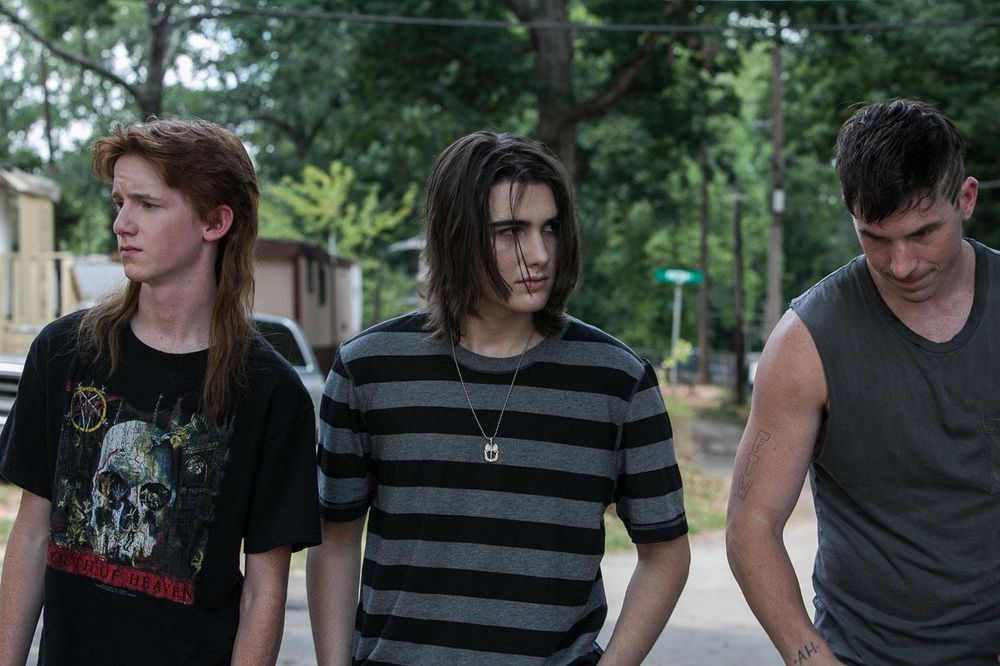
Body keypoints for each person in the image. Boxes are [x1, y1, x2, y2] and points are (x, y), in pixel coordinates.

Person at [307, 131, 690, 665]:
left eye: (550, 228)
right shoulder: (367, 369)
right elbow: (336, 540)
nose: (540, 254)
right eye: (511, 232)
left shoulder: (618, 381)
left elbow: (665, 552)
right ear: (456, 235)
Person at [0, 118, 321, 665]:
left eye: (147, 205)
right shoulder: (64, 352)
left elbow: (265, 587)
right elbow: (31, 535)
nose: (121, 223)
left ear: (215, 221)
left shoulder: (270, 391)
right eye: (119, 202)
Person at [726, 98, 1000, 665]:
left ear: (967, 199)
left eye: (924, 233)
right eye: (874, 237)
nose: (901, 265)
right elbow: (751, 526)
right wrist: (811, 658)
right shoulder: (805, 342)